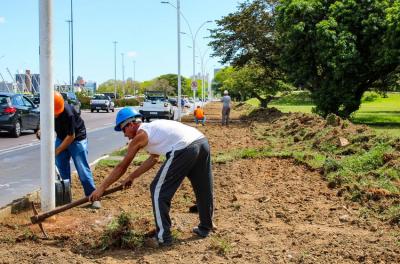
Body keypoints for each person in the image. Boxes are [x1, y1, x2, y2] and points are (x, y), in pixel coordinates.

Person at [89, 107, 214, 246]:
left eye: (123, 129)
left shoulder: (141, 135)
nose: (124, 135)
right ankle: (206, 227)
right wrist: (132, 176)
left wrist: (101, 188)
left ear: (131, 124)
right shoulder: (152, 129)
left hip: (184, 147)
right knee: (203, 188)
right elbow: (153, 159)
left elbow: (121, 166)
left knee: (158, 190)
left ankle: (163, 237)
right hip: (201, 142)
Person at [38, 92, 100, 209]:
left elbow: (71, 136)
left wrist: (57, 150)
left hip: (77, 139)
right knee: (62, 168)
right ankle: (65, 198)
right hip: (62, 137)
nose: (55, 116)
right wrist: (41, 131)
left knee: (82, 169)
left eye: (56, 114)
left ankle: (93, 197)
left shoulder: (68, 113)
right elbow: (45, 125)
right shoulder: (48, 110)